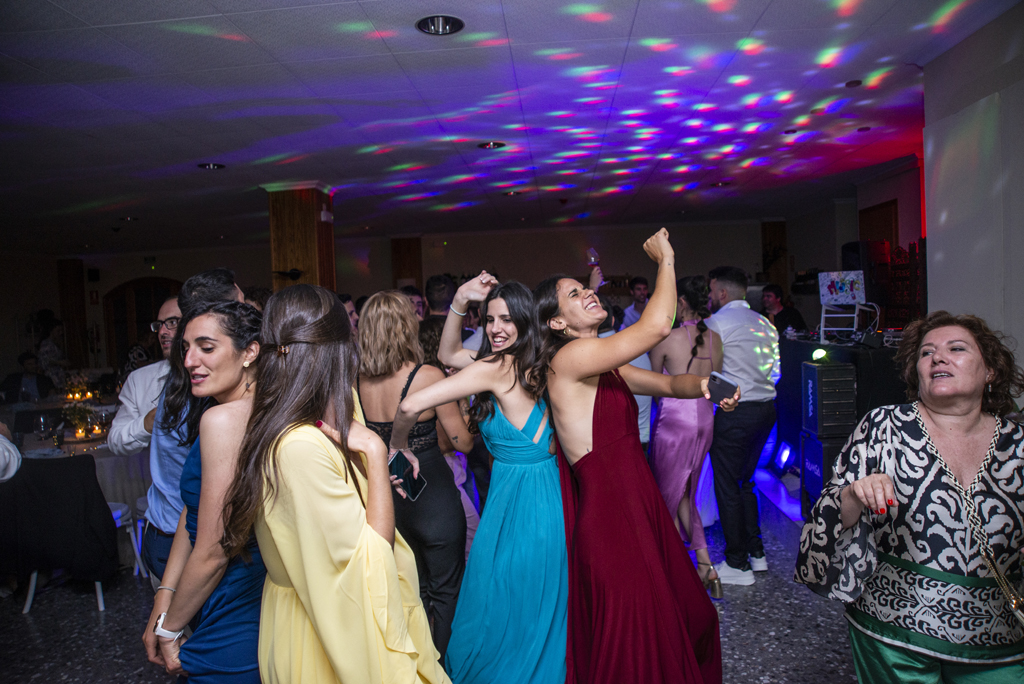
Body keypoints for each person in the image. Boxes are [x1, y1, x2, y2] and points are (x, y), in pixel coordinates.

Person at [219, 284, 448, 684]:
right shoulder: (300, 445)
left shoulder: (322, 417)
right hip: (327, 632)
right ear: (340, 353)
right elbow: (367, 563)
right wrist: (375, 452)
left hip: (324, 616)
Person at [536, 228, 733, 684]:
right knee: (634, 641)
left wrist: (709, 386)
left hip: (638, 505)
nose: (588, 293)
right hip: (611, 519)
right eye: (573, 294)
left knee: (691, 616)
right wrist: (666, 259)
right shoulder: (568, 359)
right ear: (557, 324)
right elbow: (657, 326)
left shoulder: (604, 364)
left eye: (585, 288)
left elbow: (670, 384)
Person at [795, 311, 1024, 682]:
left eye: (956, 349)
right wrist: (854, 493)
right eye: (926, 353)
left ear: (991, 371)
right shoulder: (883, 426)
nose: (938, 358)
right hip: (894, 632)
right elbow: (824, 516)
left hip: (999, 637)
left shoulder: (1018, 444)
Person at [396, 275, 567, 684]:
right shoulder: (542, 362)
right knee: (532, 602)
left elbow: (409, 406)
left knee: (502, 600)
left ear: (525, 319)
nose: (495, 329)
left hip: (523, 504)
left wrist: (397, 446)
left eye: (506, 319)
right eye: (489, 319)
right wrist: (461, 300)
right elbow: (449, 353)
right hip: (544, 497)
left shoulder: (496, 367)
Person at [142, 300, 265, 683]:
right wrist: (165, 594)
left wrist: (169, 629)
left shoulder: (224, 419)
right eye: (186, 348)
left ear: (250, 352)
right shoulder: (232, 408)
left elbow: (214, 550)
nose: (190, 360)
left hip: (237, 595)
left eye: (206, 348)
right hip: (216, 592)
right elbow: (193, 510)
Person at [357, 290, 471, 664]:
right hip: (433, 497)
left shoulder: (355, 381)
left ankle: (416, 669)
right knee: (447, 590)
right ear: (408, 327)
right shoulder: (427, 376)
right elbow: (463, 442)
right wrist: (466, 401)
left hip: (387, 498)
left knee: (411, 591)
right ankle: (445, 669)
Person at [142, 269, 244, 581]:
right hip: (186, 543)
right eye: (240, 308)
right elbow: (201, 503)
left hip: (167, 534)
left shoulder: (181, 376)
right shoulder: (207, 393)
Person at [648, 276, 724, 596]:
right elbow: (716, 385)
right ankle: (705, 566)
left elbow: (654, 385)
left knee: (668, 493)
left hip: (674, 420)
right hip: (706, 418)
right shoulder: (716, 339)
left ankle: (665, 571)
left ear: (680, 302)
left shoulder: (667, 338)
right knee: (685, 493)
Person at [705, 266, 780, 586]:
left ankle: (737, 564)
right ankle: (756, 553)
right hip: (766, 410)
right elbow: (776, 372)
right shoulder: (765, 323)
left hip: (735, 411)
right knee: (746, 482)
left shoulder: (716, 322)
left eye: (712, 291)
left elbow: (710, 372)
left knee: (727, 486)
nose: (710, 296)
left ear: (722, 293)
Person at [417, 316, 480, 560]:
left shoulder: (417, 380)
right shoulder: (440, 386)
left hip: (436, 475)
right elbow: (462, 442)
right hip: (448, 473)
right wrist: (462, 394)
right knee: (472, 547)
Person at [109, 296, 181, 458]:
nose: (162, 332)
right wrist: (146, 425)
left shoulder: (212, 375)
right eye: (159, 325)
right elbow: (114, 440)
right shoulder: (139, 380)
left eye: (172, 322)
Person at [37, 320, 68, 389]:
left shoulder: (55, 343)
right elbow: (43, 362)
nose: (60, 333)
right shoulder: (46, 344)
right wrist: (59, 362)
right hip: (51, 377)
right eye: (58, 331)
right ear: (51, 331)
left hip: (58, 376)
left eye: (61, 331)